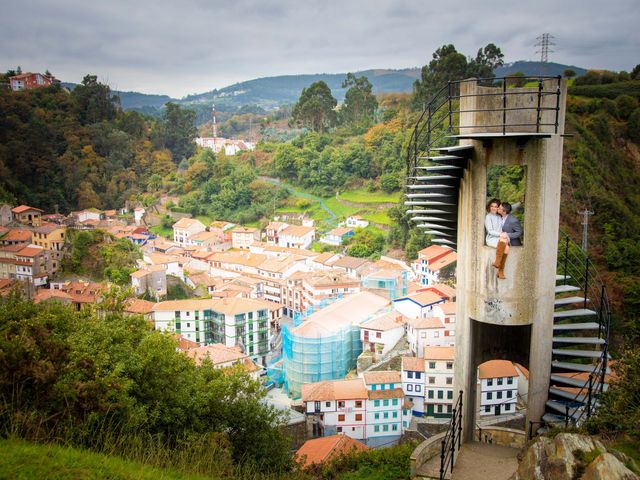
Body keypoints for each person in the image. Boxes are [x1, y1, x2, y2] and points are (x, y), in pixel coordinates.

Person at [492, 202, 523, 279]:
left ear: (504, 211)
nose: (498, 208)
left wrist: (508, 235)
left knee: (503, 242)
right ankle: (500, 269)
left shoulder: (513, 220)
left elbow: (519, 232)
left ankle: (497, 263)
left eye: (499, 208)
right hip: (504, 241)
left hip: (512, 242)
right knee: (504, 245)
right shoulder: (499, 216)